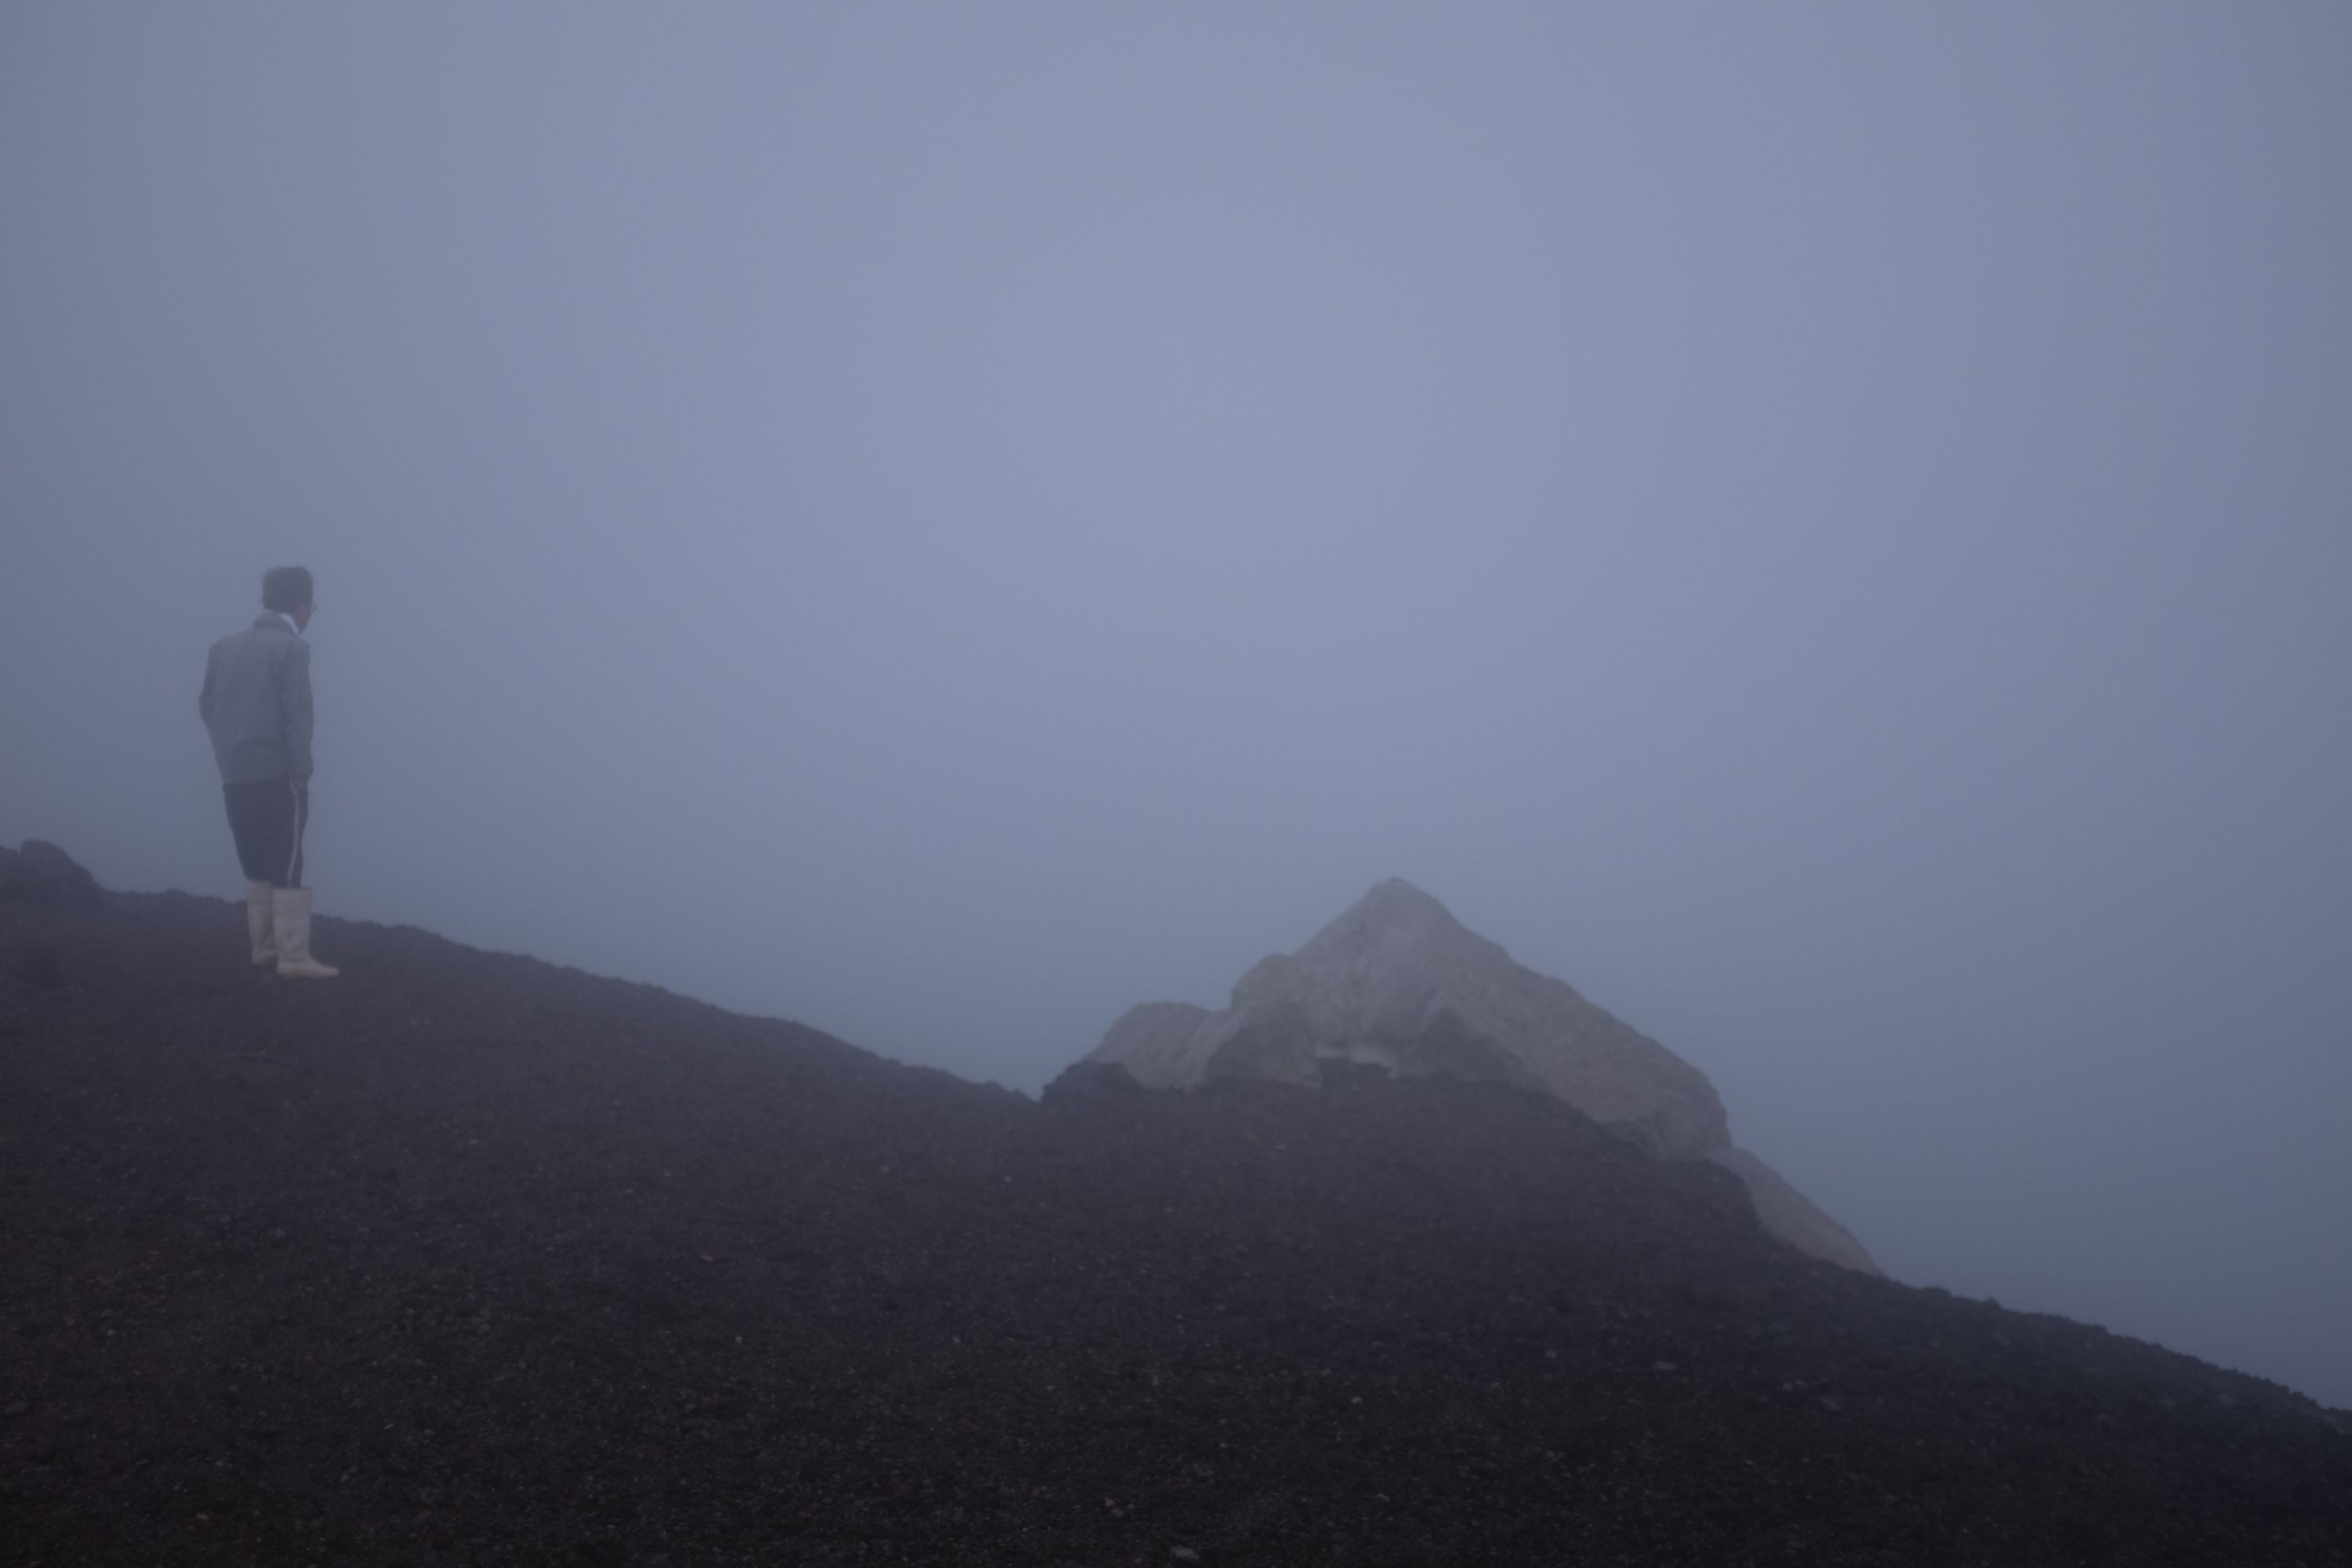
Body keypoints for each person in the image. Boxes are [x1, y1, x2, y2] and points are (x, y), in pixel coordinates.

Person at [199, 566, 339, 978]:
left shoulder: (223, 647)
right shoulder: (290, 649)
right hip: (276, 770)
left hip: (233, 770)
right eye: (311, 606)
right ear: (301, 606)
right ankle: (294, 956)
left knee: (254, 857)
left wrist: (229, 744)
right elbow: (299, 716)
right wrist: (301, 770)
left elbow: (206, 706)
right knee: (287, 858)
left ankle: (264, 947)